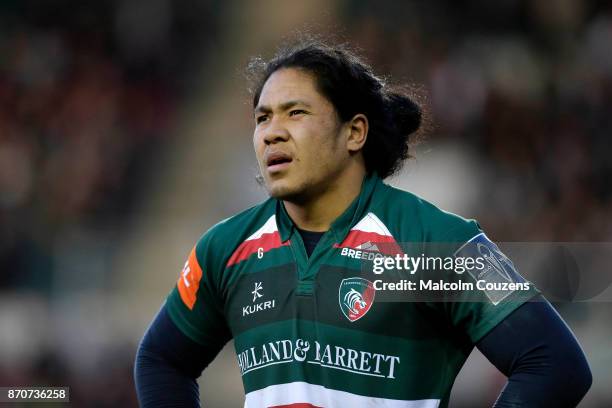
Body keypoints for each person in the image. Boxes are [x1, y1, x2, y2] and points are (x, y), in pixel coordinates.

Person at [134, 39, 592, 407]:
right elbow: (161, 360)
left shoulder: (435, 245)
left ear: (354, 132)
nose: (271, 131)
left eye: (296, 112)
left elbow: (554, 364)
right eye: (262, 117)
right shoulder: (225, 249)